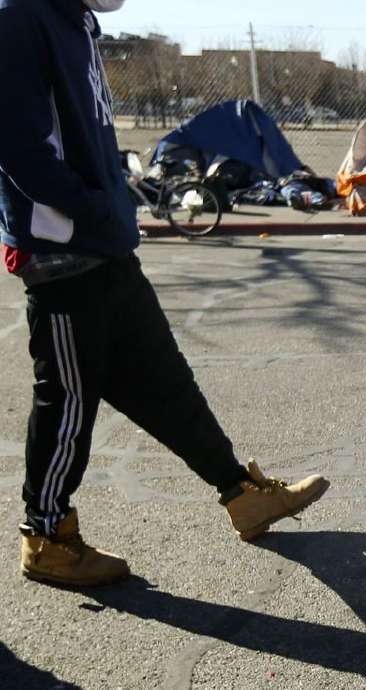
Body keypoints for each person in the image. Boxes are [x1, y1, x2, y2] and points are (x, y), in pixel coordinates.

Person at [0, 0, 330, 587]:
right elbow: (19, 147)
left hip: (106, 244)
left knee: (166, 382)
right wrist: (94, 206)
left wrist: (115, 202)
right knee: (68, 402)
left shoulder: (77, 18)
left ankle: (241, 493)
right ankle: (46, 537)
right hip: (61, 256)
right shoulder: (19, 16)